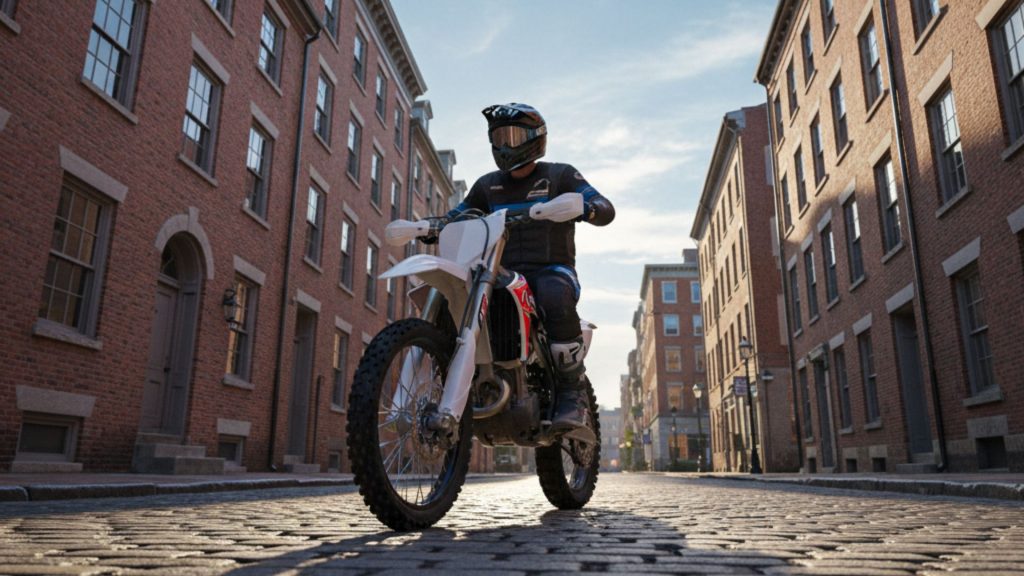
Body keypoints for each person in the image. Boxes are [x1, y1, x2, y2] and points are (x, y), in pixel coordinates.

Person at [441, 103, 615, 433]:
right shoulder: (487, 185)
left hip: (551, 270)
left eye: (514, 135)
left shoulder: (560, 175)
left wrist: (586, 207)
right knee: (459, 296)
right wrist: (430, 225)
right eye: (499, 137)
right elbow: (457, 215)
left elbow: (605, 208)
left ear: (535, 137)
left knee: (553, 293)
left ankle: (571, 394)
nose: (506, 144)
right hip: (498, 274)